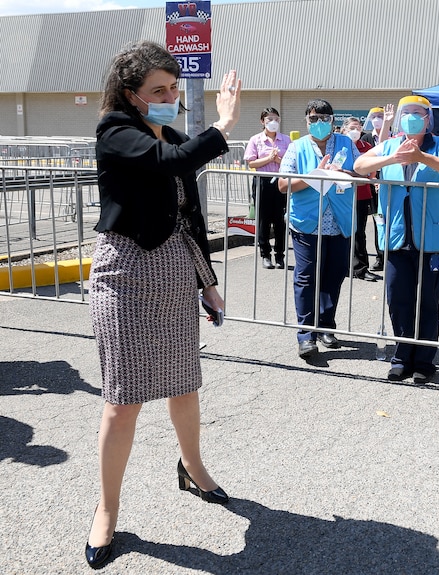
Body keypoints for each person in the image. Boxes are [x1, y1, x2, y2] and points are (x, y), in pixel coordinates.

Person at [85, 41, 240, 569]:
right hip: (124, 275)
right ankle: (107, 510)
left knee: (184, 385)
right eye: (159, 90)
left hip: (174, 273)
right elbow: (168, 162)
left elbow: (189, 217)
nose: (171, 97)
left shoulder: (171, 134)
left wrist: (207, 283)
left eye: (174, 88)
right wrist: (222, 125)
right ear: (131, 94)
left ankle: (193, 469)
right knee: (122, 401)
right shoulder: (115, 133)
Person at [353, 95, 439, 382]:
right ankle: (402, 356)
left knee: (428, 301)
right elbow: (360, 166)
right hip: (397, 237)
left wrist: (422, 158)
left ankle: (424, 362)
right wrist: (393, 157)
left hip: (434, 239)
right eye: (407, 113)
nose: (412, 117)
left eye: (418, 113)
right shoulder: (389, 144)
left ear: (428, 119)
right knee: (398, 299)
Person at [277, 99, 357, 359]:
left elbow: (360, 174)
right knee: (306, 277)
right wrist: (314, 175)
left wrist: (342, 172)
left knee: (334, 275)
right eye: (313, 119)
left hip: (339, 221)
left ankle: (326, 325)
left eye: (324, 118)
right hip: (307, 223)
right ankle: (305, 334)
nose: (319, 123)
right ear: (306, 121)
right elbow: (282, 184)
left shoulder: (346, 144)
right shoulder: (296, 147)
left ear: (333, 120)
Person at [244, 107, 289, 269]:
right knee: (263, 220)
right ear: (262, 122)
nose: (273, 122)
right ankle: (265, 254)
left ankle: (280, 255)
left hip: (281, 181)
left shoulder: (286, 140)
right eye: (269, 119)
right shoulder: (255, 140)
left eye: (276, 119)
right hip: (262, 181)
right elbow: (251, 163)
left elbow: (291, 161)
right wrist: (269, 159)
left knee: (280, 221)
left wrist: (278, 161)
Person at [342, 116, 380, 282]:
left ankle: (361, 267)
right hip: (342, 194)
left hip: (362, 193)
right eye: (351, 128)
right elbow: (336, 170)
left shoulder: (367, 147)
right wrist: (356, 174)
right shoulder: (339, 145)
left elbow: (371, 172)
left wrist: (350, 174)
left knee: (359, 232)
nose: (355, 131)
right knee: (343, 231)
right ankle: (344, 266)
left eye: (358, 128)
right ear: (344, 130)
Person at [361, 104, 395, 271]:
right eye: (373, 117)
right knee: (378, 220)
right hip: (372, 184)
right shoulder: (365, 138)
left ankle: (393, 255)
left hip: (390, 181)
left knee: (393, 219)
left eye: (380, 117)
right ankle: (380, 256)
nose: (376, 120)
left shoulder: (394, 137)